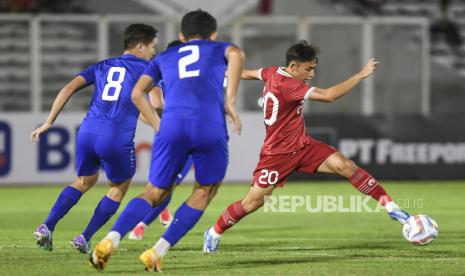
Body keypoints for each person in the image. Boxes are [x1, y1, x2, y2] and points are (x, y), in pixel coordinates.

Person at [203, 41, 411, 253]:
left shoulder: (273, 72)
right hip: (277, 155)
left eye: (313, 68)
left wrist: (224, 75)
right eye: (308, 69)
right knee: (252, 203)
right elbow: (329, 96)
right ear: (293, 67)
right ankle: (214, 232)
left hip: (303, 146)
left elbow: (247, 73)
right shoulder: (289, 85)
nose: (311, 74)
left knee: (345, 166)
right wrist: (360, 75)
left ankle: (393, 208)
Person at [90, 9, 244, 272]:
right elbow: (236, 55)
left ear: (182, 36)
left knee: (153, 192)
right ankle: (157, 251)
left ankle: (109, 240)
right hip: (209, 124)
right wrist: (229, 101)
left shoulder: (165, 57)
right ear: (214, 35)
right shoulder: (219, 47)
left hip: (172, 126)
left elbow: (138, 94)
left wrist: (158, 125)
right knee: (204, 190)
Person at [31, 23, 159, 254]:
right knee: (119, 186)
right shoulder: (149, 68)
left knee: (83, 181)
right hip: (115, 135)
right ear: (141, 46)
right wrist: (161, 124)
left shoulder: (102, 65)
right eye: (152, 46)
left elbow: (68, 89)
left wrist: (48, 121)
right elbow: (155, 104)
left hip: (87, 132)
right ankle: (85, 237)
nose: (154, 52)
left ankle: (46, 226)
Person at [128, 40, 194, 240]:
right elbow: (156, 104)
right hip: (184, 136)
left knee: (161, 184)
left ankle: (157, 214)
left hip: (164, 137)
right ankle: (140, 226)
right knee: (168, 186)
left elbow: (139, 106)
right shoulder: (183, 77)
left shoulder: (157, 74)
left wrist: (156, 124)